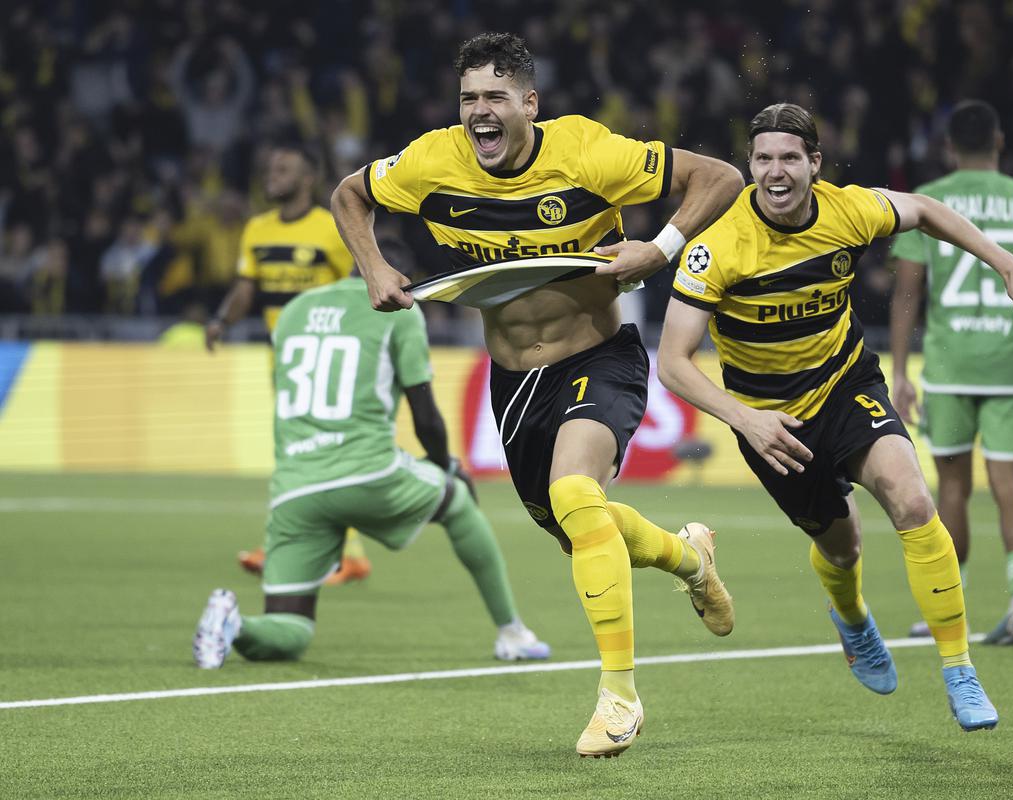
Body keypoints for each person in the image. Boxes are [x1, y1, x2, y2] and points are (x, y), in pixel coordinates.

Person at [330, 33, 745, 757]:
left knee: (576, 497)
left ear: (530, 102)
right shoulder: (433, 161)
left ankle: (619, 698)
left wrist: (661, 247)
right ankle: (689, 559)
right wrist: (373, 266)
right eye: (468, 99)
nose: (479, 113)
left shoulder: (588, 153)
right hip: (513, 381)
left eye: (494, 97)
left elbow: (719, 176)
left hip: (599, 356)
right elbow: (349, 195)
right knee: (575, 529)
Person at [657, 103, 1013, 732]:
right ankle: (851, 618)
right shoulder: (716, 249)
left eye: (790, 158)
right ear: (750, 165)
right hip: (771, 423)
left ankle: (959, 671)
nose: (776, 172)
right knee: (842, 546)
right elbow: (673, 363)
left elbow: (927, 211)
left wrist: (1005, 261)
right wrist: (746, 419)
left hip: (847, 384)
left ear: (814, 164)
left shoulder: (849, 209)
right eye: (763, 158)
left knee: (912, 500)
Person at [193, 274, 550, 669]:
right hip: (368, 472)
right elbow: (425, 414)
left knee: (290, 628)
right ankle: (512, 632)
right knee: (458, 501)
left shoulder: (295, 310)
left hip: (295, 487)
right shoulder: (396, 308)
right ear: (401, 277)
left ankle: (235, 623)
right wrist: (446, 465)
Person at [890, 100, 1013, 645]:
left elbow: (907, 292)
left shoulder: (930, 199)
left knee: (954, 489)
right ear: (1000, 142)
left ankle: (952, 609)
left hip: (948, 366)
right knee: (1009, 484)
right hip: (1012, 366)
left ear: (948, 147)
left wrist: (899, 371)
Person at [207, 142, 371, 585]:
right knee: (301, 453)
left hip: (330, 358)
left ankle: (321, 550)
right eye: (269, 168)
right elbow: (247, 287)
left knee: (320, 452)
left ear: (307, 179)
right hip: (283, 360)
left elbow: (361, 281)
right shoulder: (257, 229)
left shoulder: (329, 228)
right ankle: (330, 551)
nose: (271, 175)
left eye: (283, 168)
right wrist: (222, 319)